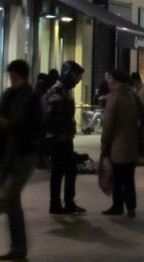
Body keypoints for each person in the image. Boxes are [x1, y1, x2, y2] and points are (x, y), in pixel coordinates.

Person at [0, 60, 42, 259]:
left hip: (25, 153)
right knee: (9, 198)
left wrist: (10, 125)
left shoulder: (31, 98)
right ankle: (18, 246)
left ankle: (19, 246)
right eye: (10, 77)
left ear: (22, 77)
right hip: (7, 153)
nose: (12, 80)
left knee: (10, 197)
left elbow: (33, 128)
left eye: (14, 77)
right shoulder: (8, 95)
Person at [101, 70, 144, 217]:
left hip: (117, 144)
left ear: (115, 80)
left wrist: (104, 143)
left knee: (117, 177)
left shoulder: (114, 97)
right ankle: (131, 207)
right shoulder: (132, 94)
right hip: (132, 143)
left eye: (109, 78)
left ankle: (118, 206)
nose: (108, 81)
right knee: (129, 177)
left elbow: (108, 124)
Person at [43, 60, 86, 215]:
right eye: (77, 77)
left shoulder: (65, 90)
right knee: (61, 171)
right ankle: (58, 204)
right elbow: (52, 114)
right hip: (58, 139)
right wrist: (61, 131)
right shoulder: (58, 90)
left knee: (66, 170)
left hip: (64, 137)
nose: (78, 80)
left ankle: (66, 203)